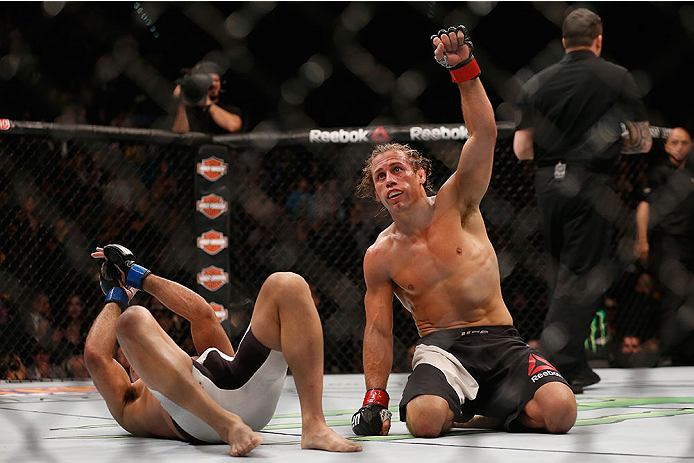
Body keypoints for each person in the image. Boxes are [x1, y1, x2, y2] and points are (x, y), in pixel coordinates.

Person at [351, 25, 577, 439]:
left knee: (561, 413)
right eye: (380, 177)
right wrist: (375, 398)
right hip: (442, 351)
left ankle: (487, 412)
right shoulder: (380, 255)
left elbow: (484, 135)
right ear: (378, 194)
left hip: (502, 341)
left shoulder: (458, 202)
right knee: (423, 421)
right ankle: (473, 405)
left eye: (397, 169)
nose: (389, 180)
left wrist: (464, 70)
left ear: (421, 175)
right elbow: (379, 330)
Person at [85, 244, 361, 456]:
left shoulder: (201, 361)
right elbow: (96, 356)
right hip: (200, 421)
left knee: (287, 283)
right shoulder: (129, 400)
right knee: (131, 320)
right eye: (131, 354)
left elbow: (201, 314)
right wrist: (115, 297)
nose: (135, 356)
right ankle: (226, 425)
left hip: (245, 391)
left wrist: (137, 275)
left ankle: (314, 424)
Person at [512, 8, 652, 392]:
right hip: (590, 182)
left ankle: (573, 363)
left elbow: (522, 149)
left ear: (563, 42)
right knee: (582, 275)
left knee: (563, 273)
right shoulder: (616, 76)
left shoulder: (537, 81)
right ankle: (550, 368)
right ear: (599, 40)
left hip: (547, 184)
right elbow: (642, 141)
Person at [634, 127, 694, 364]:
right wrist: (642, 239)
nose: (679, 147)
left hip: (691, 241)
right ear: (667, 146)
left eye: (684, 143)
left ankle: (688, 353)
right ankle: (671, 352)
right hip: (668, 240)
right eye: (675, 142)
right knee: (672, 297)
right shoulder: (658, 173)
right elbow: (644, 206)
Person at [172, 61, 243, 134]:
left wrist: (208, 103)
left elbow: (233, 126)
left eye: (216, 80)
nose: (213, 84)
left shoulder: (229, 108)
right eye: (209, 81)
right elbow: (180, 135)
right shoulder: (189, 110)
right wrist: (182, 102)